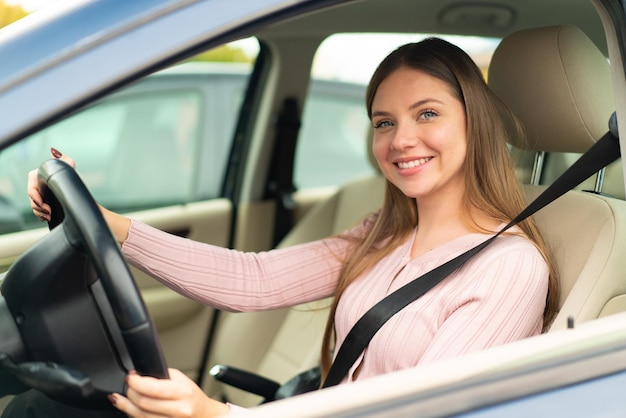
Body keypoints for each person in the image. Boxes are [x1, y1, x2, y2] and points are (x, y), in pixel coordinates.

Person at [4, 37, 559, 418]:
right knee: (46, 404)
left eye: (427, 113)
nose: (400, 139)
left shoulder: (509, 267)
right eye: (384, 122)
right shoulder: (383, 234)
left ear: (474, 121)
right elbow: (253, 280)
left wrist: (214, 412)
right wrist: (109, 226)